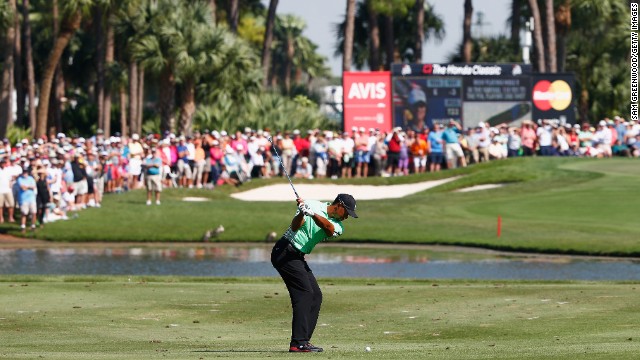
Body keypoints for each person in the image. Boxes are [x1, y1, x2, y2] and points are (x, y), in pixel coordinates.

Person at [271, 194, 358, 353]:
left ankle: (303, 341)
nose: (347, 217)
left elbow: (328, 228)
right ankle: (298, 343)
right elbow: (295, 226)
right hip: (285, 251)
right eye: (346, 212)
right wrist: (302, 213)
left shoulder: (338, 226)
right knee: (304, 293)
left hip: (297, 256)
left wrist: (312, 214)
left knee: (316, 296)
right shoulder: (312, 204)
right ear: (339, 205)